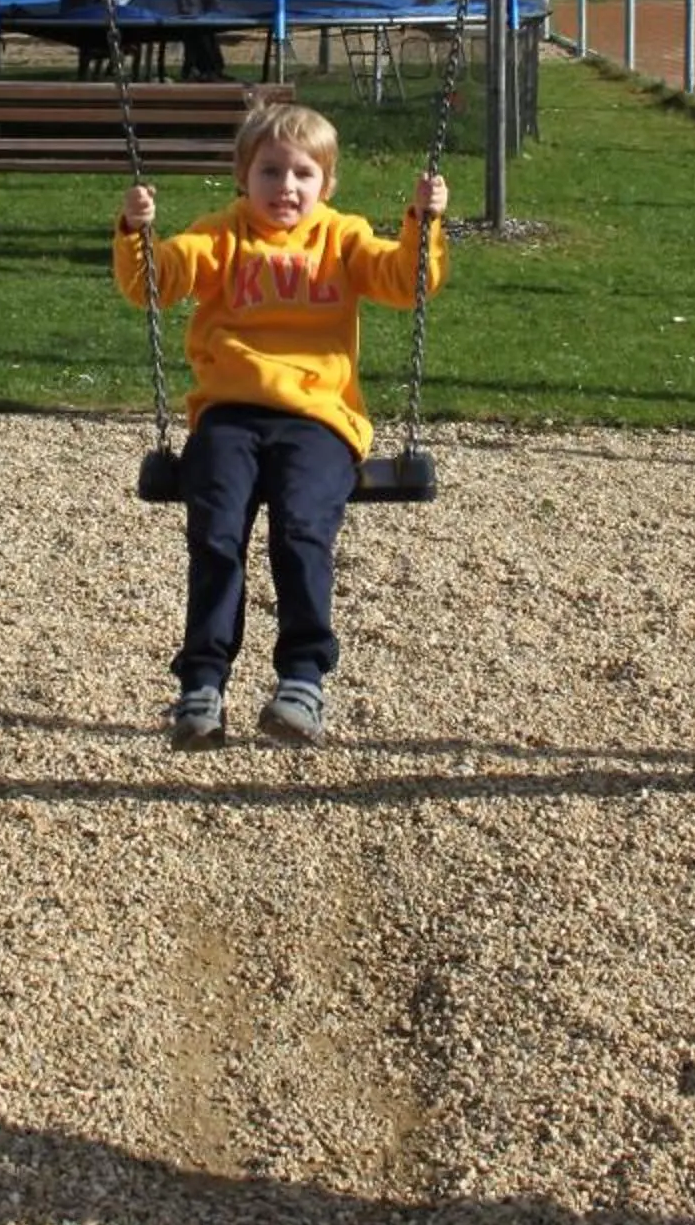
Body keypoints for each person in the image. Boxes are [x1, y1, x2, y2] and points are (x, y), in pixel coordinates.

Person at [114, 92, 449, 752]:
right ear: (245, 176)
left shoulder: (343, 236)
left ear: (327, 183)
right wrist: (137, 234)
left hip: (318, 419)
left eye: (302, 173)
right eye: (270, 171)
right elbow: (154, 284)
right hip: (229, 414)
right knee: (215, 538)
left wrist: (422, 222)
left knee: (301, 532)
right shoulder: (221, 233)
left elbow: (402, 281)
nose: (285, 187)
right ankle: (202, 685)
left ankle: (301, 680)